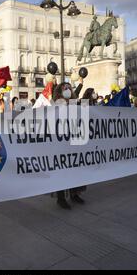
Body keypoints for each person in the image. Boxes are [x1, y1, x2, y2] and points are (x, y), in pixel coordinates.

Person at [52, 78, 84, 209]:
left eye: (69, 88)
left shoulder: (75, 103)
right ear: (59, 91)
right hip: (61, 142)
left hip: (74, 141)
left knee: (75, 169)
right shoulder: (55, 104)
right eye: (65, 88)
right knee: (62, 170)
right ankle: (61, 198)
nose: (68, 90)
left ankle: (74, 193)